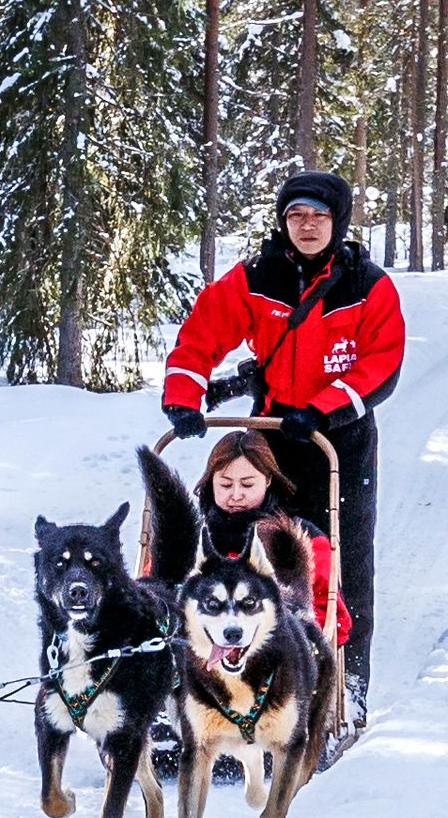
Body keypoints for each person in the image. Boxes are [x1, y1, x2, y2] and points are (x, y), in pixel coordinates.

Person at [160, 171, 403, 718]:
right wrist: (185, 394)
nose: (308, 226)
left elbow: (381, 363)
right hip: (271, 439)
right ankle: (238, 693)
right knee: (253, 559)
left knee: (340, 566)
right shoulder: (256, 277)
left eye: (319, 216)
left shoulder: (366, 284)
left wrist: (322, 407)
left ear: (337, 222)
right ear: (283, 221)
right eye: (296, 215)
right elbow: (201, 334)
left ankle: (347, 688)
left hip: (338, 441)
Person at [192, 428, 348, 651]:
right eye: (225, 484)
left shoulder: (301, 538)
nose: (236, 495)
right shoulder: (191, 537)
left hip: (280, 660)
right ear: (210, 483)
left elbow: (332, 619)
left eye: (247, 484)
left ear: (268, 481)